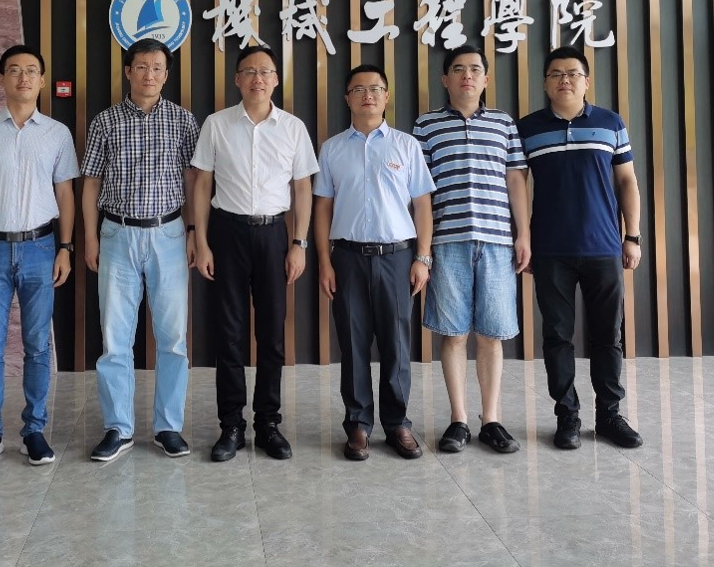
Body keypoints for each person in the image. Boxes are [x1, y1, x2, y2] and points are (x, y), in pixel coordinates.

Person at [0, 46, 78, 468]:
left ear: (42, 80)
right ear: (2, 78)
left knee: (38, 345)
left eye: (32, 71)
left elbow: (65, 193)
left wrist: (65, 248)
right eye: (15, 70)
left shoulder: (56, 133)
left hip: (41, 248)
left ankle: (34, 431)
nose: (23, 77)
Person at [190, 45, 318, 462]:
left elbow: (302, 189)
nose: (257, 79)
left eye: (265, 71)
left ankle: (268, 423)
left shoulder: (293, 128)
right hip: (226, 233)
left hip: (274, 235)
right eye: (249, 71)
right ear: (237, 79)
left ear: (276, 79)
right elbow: (202, 184)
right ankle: (231, 425)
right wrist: (202, 241)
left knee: (272, 335)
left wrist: (299, 243)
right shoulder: (217, 124)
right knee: (228, 334)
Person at [517, 45, 643, 451]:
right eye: (556, 74)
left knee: (608, 336)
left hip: (604, 247)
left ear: (586, 81)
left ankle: (610, 415)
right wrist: (524, 238)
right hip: (550, 250)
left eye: (573, 73)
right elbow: (516, 185)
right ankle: (567, 416)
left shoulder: (610, 123)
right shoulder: (528, 128)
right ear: (545, 83)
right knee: (557, 337)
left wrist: (632, 236)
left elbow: (627, 181)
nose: (565, 80)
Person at [82, 38, 199, 462]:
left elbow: (194, 181)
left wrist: (193, 231)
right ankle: (118, 427)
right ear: (128, 71)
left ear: (166, 75)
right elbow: (91, 182)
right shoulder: (106, 121)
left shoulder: (183, 121)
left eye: (158, 68)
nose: (150, 74)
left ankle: (168, 426)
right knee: (115, 338)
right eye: (142, 66)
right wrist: (90, 237)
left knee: (173, 339)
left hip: (169, 235)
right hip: (117, 234)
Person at [313, 64, 434, 462]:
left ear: (386, 96)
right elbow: (322, 209)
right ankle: (358, 424)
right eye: (359, 89)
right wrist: (325, 262)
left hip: (397, 257)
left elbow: (422, 205)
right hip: (347, 258)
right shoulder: (332, 149)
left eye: (376, 88)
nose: (368, 95)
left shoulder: (406, 145)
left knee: (397, 343)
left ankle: (397, 422)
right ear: (347, 98)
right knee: (352, 343)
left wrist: (422, 257)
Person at [412, 45, 529, 455]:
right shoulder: (425, 126)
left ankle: (491, 419)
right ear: (445, 79)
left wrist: (523, 234)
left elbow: (516, 181)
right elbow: (420, 194)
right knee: (454, 334)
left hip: (497, 242)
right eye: (458, 69)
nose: (467, 75)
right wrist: (424, 250)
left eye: (475, 69)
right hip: (447, 242)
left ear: (485, 79)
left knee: (492, 335)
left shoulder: (503, 124)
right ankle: (458, 419)